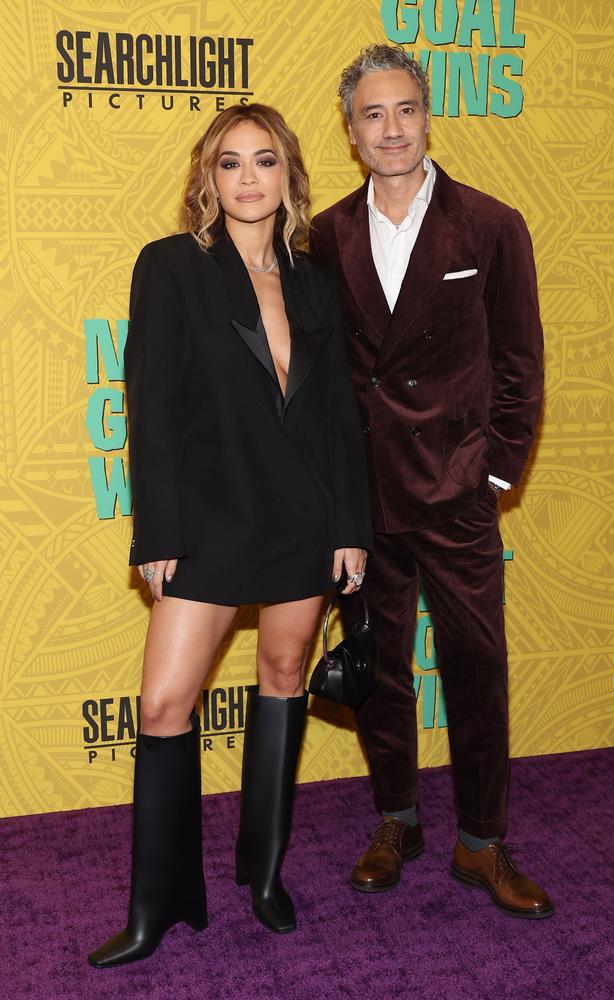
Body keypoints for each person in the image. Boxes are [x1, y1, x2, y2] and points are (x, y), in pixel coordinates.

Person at [88, 103, 372, 968]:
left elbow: (337, 417)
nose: (249, 179)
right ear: (207, 178)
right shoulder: (172, 267)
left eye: (266, 161)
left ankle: (265, 873)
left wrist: (352, 526)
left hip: (304, 516)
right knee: (164, 707)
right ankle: (158, 904)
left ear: (290, 174)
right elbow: (154, 409)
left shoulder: (317, 279)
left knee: (285, 673)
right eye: (230, 163)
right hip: (210, 519)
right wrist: (158, 531)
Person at [310, 45, 553, 918]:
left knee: (476, 666)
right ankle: (398, 819)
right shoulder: (326, 234)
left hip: (456, 493)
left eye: (404, 109)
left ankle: (482, 842)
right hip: (365, 498)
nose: (391, 128)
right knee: (380, 671)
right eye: (372, 115)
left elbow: (521, 365)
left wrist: (491, 473)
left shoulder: (490, 225)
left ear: (427, 113)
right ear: (350, 130)